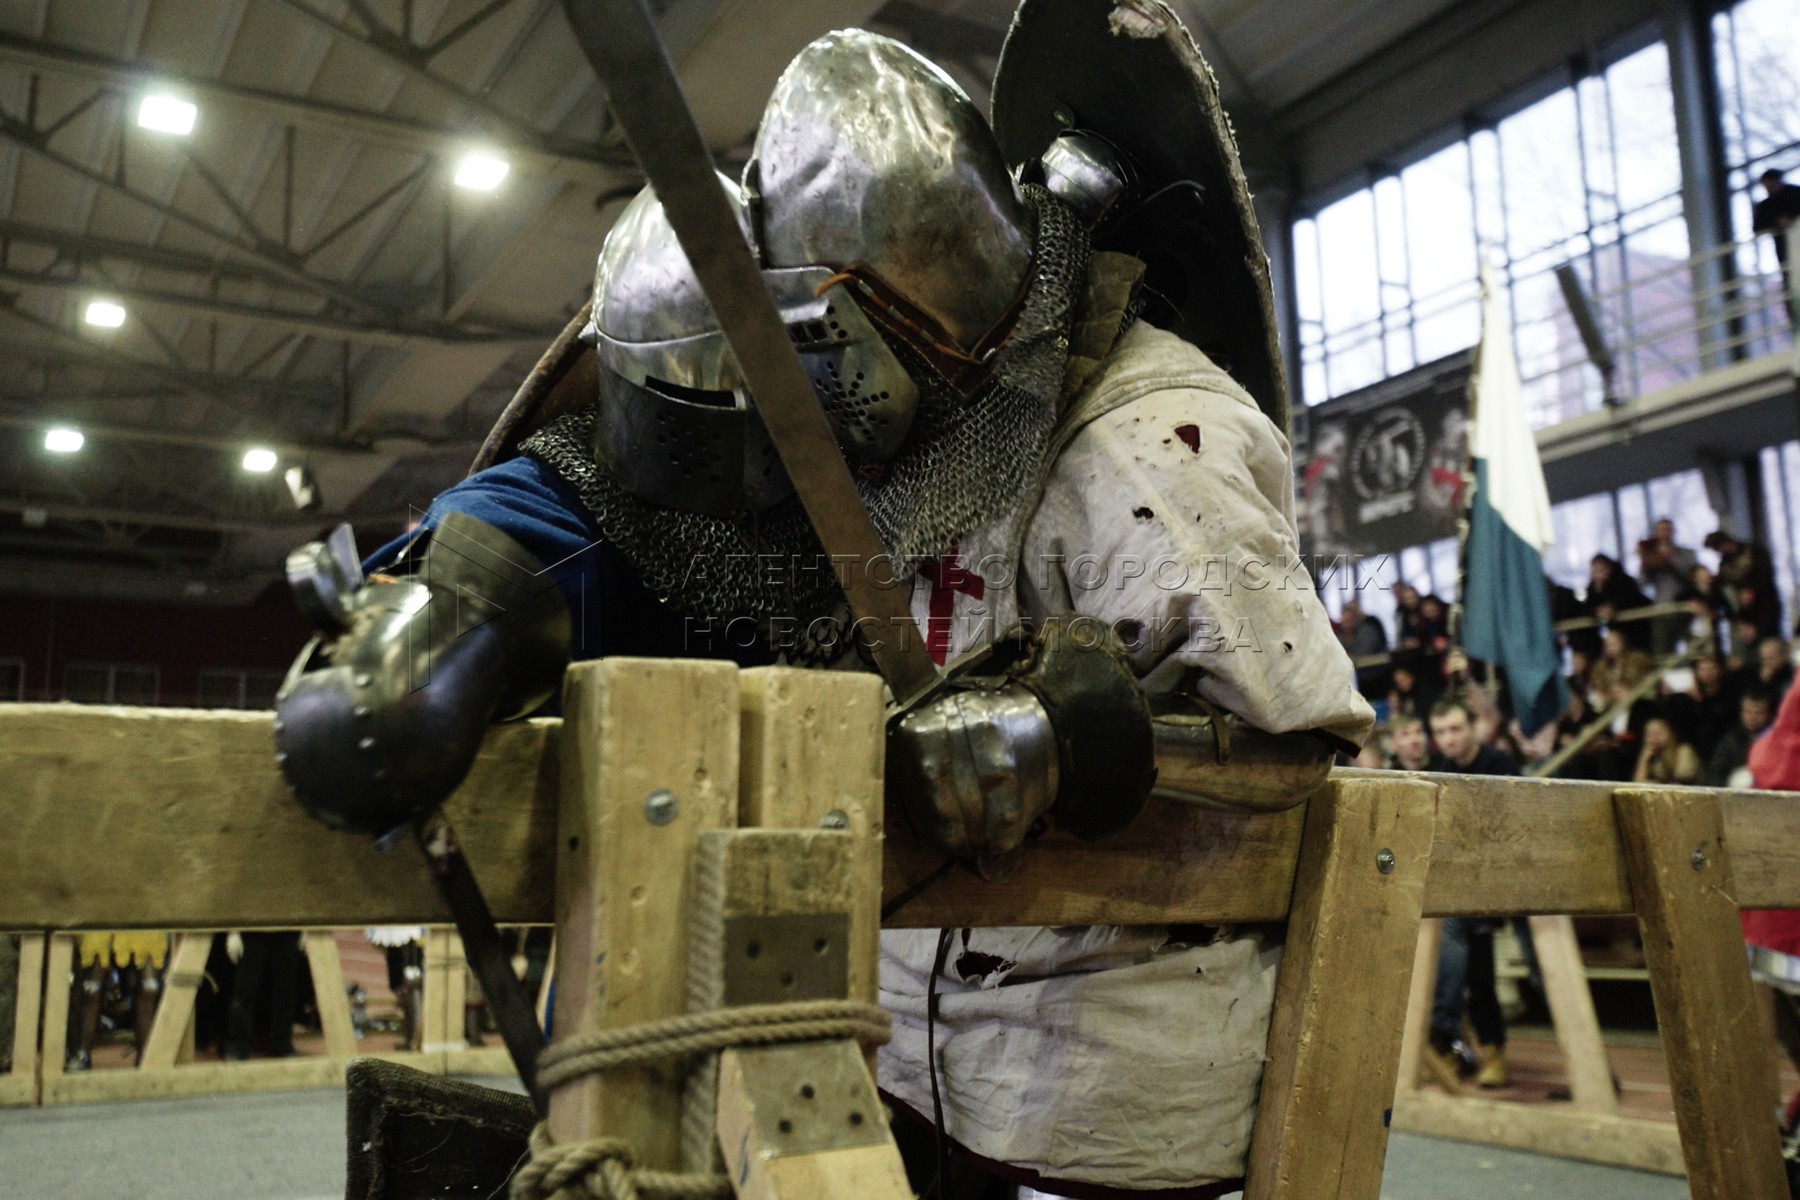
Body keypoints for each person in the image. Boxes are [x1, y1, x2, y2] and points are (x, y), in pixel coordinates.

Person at [272, 25, 1373, 1197]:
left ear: (855, 317)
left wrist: (1057, 734)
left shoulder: (1147, 436)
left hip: (1088, 1078)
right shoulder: (864, 432)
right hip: (871, 1052)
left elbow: (1291, 748)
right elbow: (598, 504)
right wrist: (447, 609)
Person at [1424, 697, 1520, 1090]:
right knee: (1456, 966)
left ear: (1472, 728)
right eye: (1440, 732)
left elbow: (1512, 826)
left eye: (1455, 729)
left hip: (1502, 881)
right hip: (1456, 887)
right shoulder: (1439, 771)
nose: (1449, 738)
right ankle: (1462, 1048)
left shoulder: (1499, 764)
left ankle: (1479, 1048)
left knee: (1477, 970)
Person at [1637, 519, 1697, 656]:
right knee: (1662, 650)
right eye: (1661, 530)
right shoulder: (1651, 555)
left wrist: (1670, 558)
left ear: (1673, 532)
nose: (1665, 534)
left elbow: (1691, 576)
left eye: (1667, 530)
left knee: (1694, 646)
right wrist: (1645, 562)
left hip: (1685, 606)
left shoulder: (1687, 554)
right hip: (1662, 608)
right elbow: (1642, 583)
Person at [1754, 168, 1800, 323]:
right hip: (1784, 251)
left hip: (1791, 247)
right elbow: (1758, 228)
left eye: (1772, 185)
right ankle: (1794, 320)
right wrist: (1777, 223)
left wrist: (1791, 219)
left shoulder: (1795, 194)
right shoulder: (1766, 206)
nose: (1770, 189)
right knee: (1790, 283)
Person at [1706, 688, 1776, 788]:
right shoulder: (1730, 740)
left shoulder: (1776, 741)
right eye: (1748, 712)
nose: (1752, 717)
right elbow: (1716, 772)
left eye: (1758, 713)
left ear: (1769, 714)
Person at [1584, 553, 1651, 650]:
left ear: (1609, 569)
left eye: (1601, 570)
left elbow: (1628, 598)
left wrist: (1613, 607)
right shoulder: (1593, 589)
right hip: (1618, 629)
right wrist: (1597, 611)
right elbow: (1588, 606)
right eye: (1595, 571)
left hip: (1638, 626)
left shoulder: (1624, 582)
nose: (1599, 575)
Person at [1337, 596, 1389, 697]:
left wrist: (1349, 659)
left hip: (1376, 679)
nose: (1347, 623)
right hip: (1354, 682)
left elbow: (1362, 655)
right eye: (1345, 620)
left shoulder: (1367, 631)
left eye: (1349, 619)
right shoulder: (1340, 637)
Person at [1633, 716, 1701, 784]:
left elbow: (1683, 778)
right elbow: (1638, 783)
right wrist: (1644, 759)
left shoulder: (1684, 750)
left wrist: (1667, 753)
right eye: (1649, 734)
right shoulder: (1653, 756)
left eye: (1659, 733)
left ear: (1670, 733)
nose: (1654, 737)